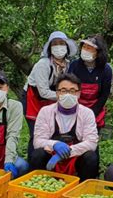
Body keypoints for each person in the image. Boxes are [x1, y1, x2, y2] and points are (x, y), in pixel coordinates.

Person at [30, 73, 99, 181]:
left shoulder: (87, 113)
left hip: (76, 158)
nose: (68, 94)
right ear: (57, 93)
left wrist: (67, 151)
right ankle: (41, 186)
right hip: (51, 156)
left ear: (79, 94)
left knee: (91, 157)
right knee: (37, 155)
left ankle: (81, 187)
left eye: (72, 91)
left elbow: (91, 143)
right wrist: (54, 144)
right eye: (63, 90)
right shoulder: (45, 111)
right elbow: (38, 141)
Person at [22, 31, 77, 160]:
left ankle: (49, 161)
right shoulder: (43, 65)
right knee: (36, 133)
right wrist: (65, 96)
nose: (59, 46)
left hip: (50, 100)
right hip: (33, 100)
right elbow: (43, 92)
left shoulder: (68, 65)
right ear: (50, 48)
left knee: (51, 131)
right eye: (55, 44)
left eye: (62, 43)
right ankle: (33, 163)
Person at [68, 35, 112, 131]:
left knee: (91, 140)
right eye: (84, 47)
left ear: (98, 52)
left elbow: (104, 95)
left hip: (95, 109)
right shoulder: (74, 66)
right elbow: (69, 88)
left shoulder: (106, 70)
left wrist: (92, 113)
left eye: (90, 48)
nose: (86, 50)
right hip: (75, 108)